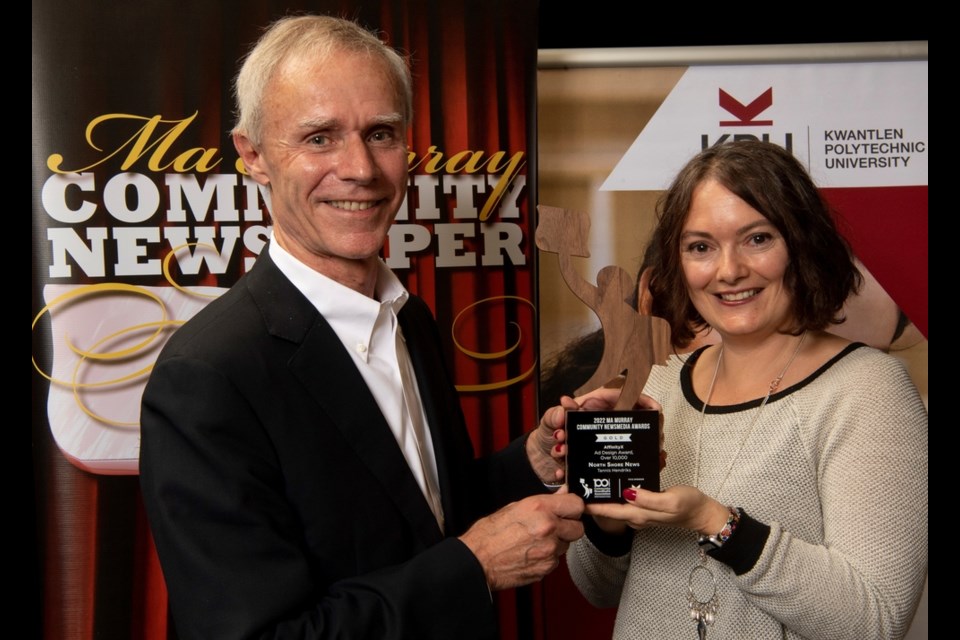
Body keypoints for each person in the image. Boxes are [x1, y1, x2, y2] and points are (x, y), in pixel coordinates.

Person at [138, 15, 587, 639]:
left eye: (380, 133)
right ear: (255, 156)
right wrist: (474, 566)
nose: (361, 169)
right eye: (319, 138)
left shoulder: (410, 317)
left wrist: (534, 462)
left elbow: (420, 510)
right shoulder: (208, 377)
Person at [565, 140, 928, 639]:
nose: (729, 270)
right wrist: (606, 502)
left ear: (800, 245)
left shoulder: (870, 390)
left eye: (757, 239)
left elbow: (875, 620)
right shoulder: (660, 382)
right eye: (701, 247)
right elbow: (597, 588)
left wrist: (716, 522)